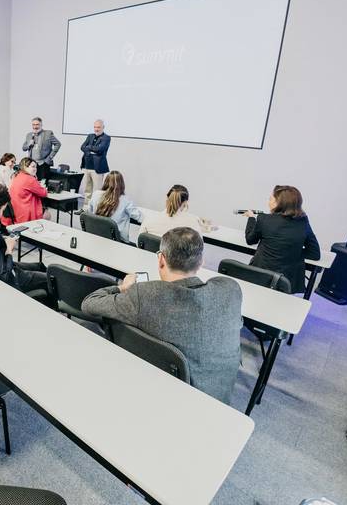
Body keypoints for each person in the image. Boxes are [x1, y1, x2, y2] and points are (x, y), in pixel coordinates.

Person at [81, 227, 242, 403]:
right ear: (201, 262)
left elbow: (89, 303)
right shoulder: (230, 290)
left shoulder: (144, 295)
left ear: (161, 260)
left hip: (165, 394)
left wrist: (123, 287)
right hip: (219, 399)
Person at [243, 185, 321, 293]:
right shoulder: (303, 221)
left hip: (261, 274)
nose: (268, 202)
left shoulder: (264, 219)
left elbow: (250, 240)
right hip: (287, 281)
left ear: (279, 203)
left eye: (270, 199)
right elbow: (314, 254)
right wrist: (292, 252)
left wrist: (251, 218)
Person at [87, 170, 141, 243]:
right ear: (122, 184)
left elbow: (89, 213)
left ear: (106, 182)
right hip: (117, 241)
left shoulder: (96, 194)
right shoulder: (125, 200)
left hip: (96, 235)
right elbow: (139, 217)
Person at [140, 185, 212, 236]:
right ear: (185, 203)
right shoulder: (193, 223)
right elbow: (199, 248)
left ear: (167, 198)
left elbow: (140, 243)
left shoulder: (149, 219)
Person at [8, 157, 49, 224]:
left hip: (15, 210)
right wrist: (43, 188)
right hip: (25, 212)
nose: (35, 169)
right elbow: (44, 193)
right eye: (33, 167)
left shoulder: (17, 175)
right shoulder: (30, 179)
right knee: (47, 214)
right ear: (25, 167)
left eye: (36, 167)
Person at [79, 119, 111, 205]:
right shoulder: (90, 136)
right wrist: (90, 151)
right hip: (86, 166)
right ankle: (86, 208)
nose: (96, 129)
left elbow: (100, 149)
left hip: (97, 168)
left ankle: (96, 209)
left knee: (97, 191)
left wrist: (89, 147)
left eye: (98, 127)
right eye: (95, 127)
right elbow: (82, 147)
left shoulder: (106, 138)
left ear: (103, 127)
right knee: (87, 190)